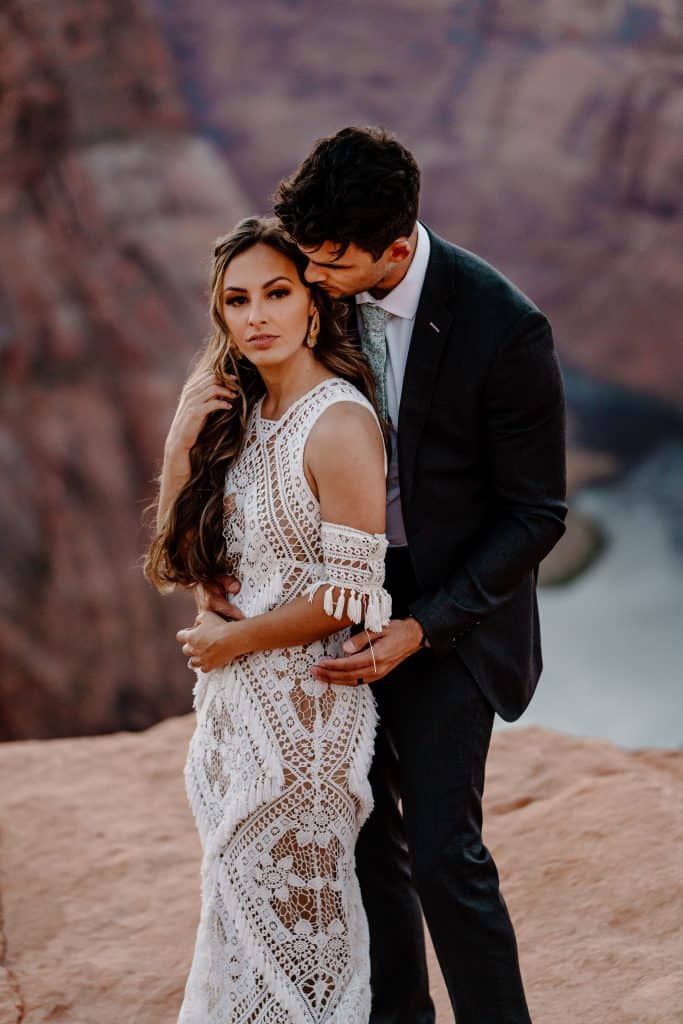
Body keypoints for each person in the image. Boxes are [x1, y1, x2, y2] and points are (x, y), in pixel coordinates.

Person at [270, 126, 568, 1024]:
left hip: (452, 615)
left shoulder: (503, 326)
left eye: (330, 260)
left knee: (443, 850)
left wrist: (423, 626)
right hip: (339, 592)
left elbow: (535, 515)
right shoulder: (317, 281)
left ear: (396, 247)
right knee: (360, 838)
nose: (310, 278)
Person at [144, 216, 392, 1022]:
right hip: (229, 722)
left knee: (303, 954)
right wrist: (183, 440)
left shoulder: (339, 423)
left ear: (312, 308)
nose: (257, 316)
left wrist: (231, 640)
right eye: (237, 300)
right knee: (239, 936)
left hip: (306, 728)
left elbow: (349, 595)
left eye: (277, 294)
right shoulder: (243, 419)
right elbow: (181, 564)